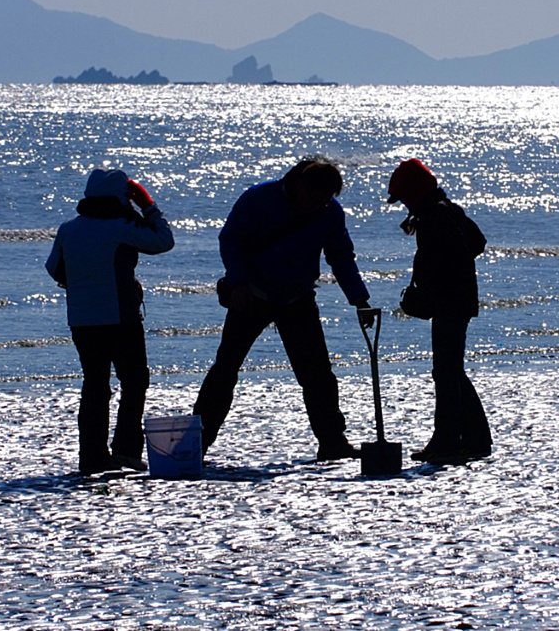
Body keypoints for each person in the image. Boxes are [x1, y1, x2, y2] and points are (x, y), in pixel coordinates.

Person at [193, 160, 372, 461]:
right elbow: (231, 240)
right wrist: (238, 283)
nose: (320, 205)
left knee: (318, 375)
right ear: (301, 186)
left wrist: (360, 300)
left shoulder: (330, 211)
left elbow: (340, 257)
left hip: (298, 298)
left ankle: (332, 442)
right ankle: (198, 443)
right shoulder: (258, 198)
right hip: (251, 296)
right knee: (225, 371)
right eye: (316, 197)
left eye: (326, 199)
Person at [46, 168, 175, 474]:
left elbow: (54, 269)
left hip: (81, 319)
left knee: (94, 386)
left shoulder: (69, 229)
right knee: (134, 381)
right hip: (120, 318)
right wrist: (148, 205)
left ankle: (91, 457)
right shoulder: (121, 226)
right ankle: (126, 452)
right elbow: (164, 241)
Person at [387, 158, 492, 463]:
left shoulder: (436, 215)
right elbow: (476, 242)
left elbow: (453, 255)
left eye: (404, 196)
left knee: (446, 373)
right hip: (457, 300)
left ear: (415, 191)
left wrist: (431, 289)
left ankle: (448, 442)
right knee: (450, 371)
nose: (403, 202)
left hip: (451, 302)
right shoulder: (446, 209)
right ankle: (473, 439)